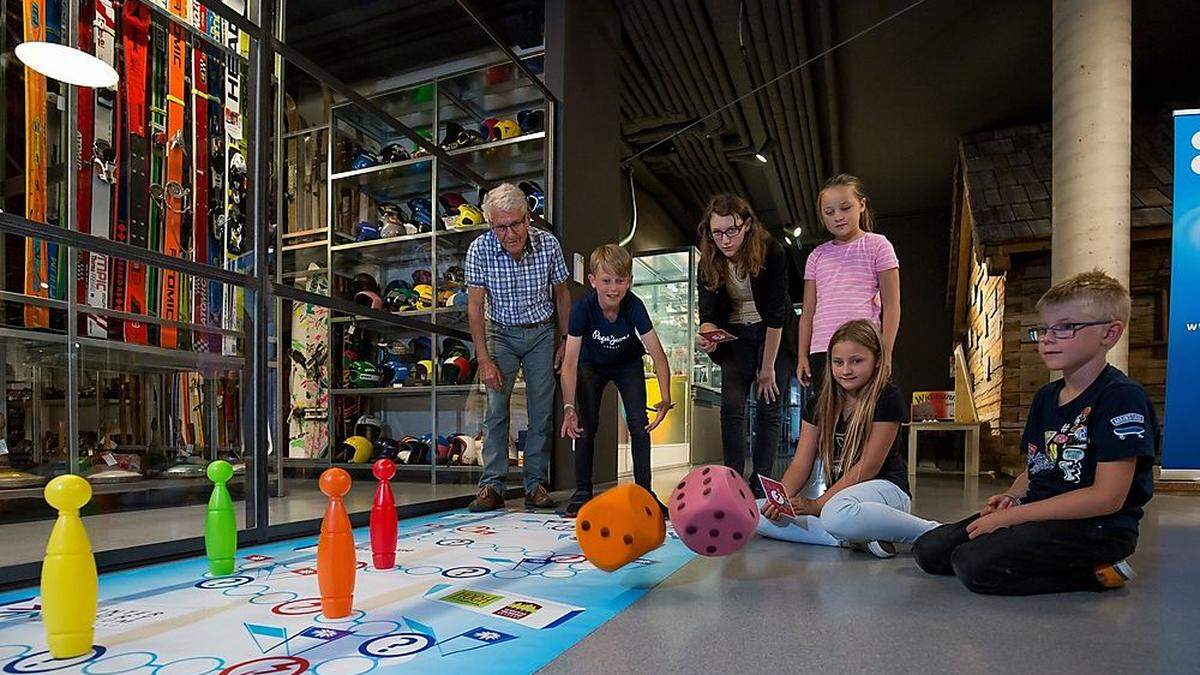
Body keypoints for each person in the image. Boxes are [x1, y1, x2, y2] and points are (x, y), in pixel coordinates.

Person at [913, 269, 1156, 595]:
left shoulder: (1121, 397)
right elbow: (1037, 465)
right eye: (1043, 329)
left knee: (973, 566)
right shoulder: (1046, 397)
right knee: (930, 550)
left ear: (1110, 334)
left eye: (1066, 327)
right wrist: (1012, 497)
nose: (1047, 338)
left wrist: (1013, 519)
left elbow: (1107, 497)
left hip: (1097, 527)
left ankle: (1099, 573)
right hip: (1039, 513)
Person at [757, 319, 939, 557]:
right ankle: (857, 540)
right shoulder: (818, 404)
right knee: (756, 511)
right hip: (842, 498)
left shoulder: (887, 397)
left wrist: (817, 504)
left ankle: (932, 531)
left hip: (885, 491)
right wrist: (780, 499)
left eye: (856, 361)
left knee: (835, 514)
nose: (846, 370)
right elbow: (800, 464)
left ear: (876, 361)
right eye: (838, 362)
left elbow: (869, 466)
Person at [465, 183, 571, 512]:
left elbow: (562, 295)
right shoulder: (479, 249)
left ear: (528, 218)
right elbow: (474, 309)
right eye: (501, 226)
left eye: (517, 223)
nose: (511, 233)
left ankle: (534, 483)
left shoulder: (548, 244)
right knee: (496, 409)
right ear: (491, 225)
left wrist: (565, 339)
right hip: (500, 333)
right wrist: (484, 359)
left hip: (541, 333)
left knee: (541, 411)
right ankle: (492, 486)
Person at [558, 244, 674, 517]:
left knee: (638, 424)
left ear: (629, 282)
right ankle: (583, 491)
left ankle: (645, 493)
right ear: (593, 281)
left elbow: (658, 356)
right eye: (606, 281)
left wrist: (665, 399)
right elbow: (570, 362)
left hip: (628, 364)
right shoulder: (582, 308)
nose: (613, 289)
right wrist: (568, 407)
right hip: (591, 365)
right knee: (587, 425)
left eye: (620, 281)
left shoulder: (634, 306)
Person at [696, 194, 799, 497]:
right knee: (731, 407)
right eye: (717, 232)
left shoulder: (772, 252)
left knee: (769, 405)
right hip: (736, 337)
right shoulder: (709, 261)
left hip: (773, 334)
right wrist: (708, 336)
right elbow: (708, 315)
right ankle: (732, 479)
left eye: (732, 230)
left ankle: (762, 481)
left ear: (747, 225)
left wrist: (767, 368)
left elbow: (778, 314)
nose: (725, 240)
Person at [797, 174, 900, 393]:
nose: (838, 217)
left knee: (864, 414)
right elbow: (807, 312)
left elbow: (892, 305)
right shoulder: (817, 255)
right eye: (829, 212)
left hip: (862, 346)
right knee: (825, 416)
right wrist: (802, 355)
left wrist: (887, 352)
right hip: (822, 348)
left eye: (845, 208)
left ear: (861, 205)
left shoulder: (877, 245)